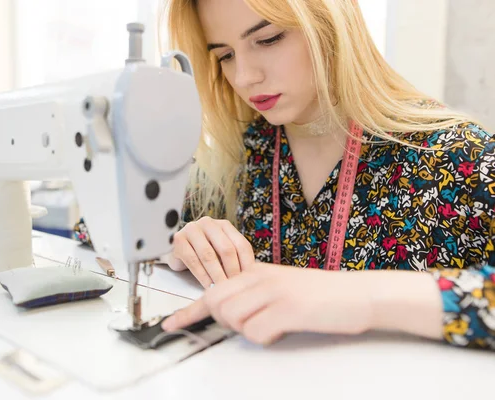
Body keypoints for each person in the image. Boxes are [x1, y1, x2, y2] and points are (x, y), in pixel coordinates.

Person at [75, 0, 495, 350]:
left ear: (329, 26)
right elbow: (95, 221)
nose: (244, 77)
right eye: (224, 55)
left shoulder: (456, 156)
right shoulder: (241, 153)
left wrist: (362, 297)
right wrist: (173, 246)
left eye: (269, 39)